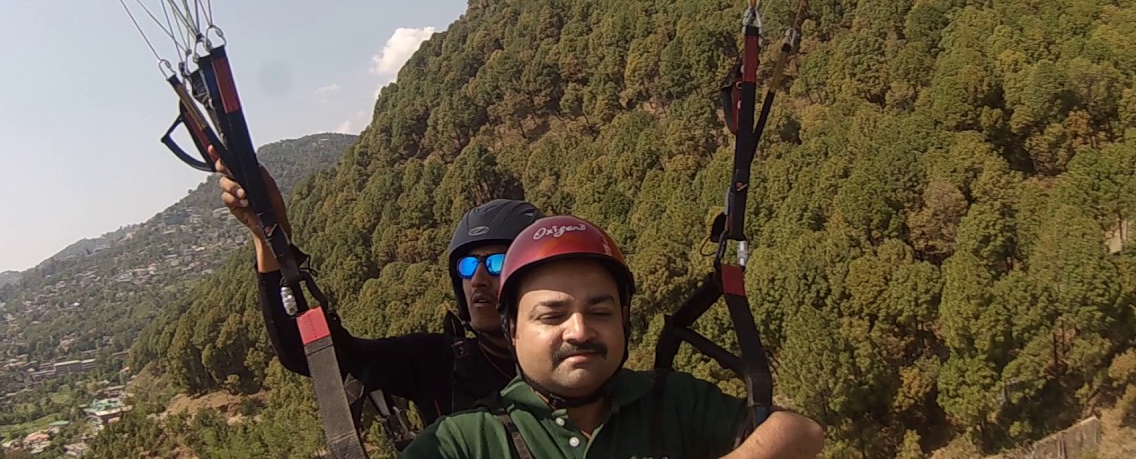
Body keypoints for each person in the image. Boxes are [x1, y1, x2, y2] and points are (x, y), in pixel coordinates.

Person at [400, 215, 826, 459]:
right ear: (513, 330)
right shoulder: (467, 441)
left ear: (623, 320)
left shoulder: (668, 401)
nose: (580, 330)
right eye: (553, 316)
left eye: (600, 312)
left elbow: (801, 433)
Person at [217, 159, 543, 438]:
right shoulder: (439, 362)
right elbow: (314, 357)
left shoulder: (578, 358)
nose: (479, 279)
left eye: (497, 263)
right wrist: (270, 241)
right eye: (468, 266)